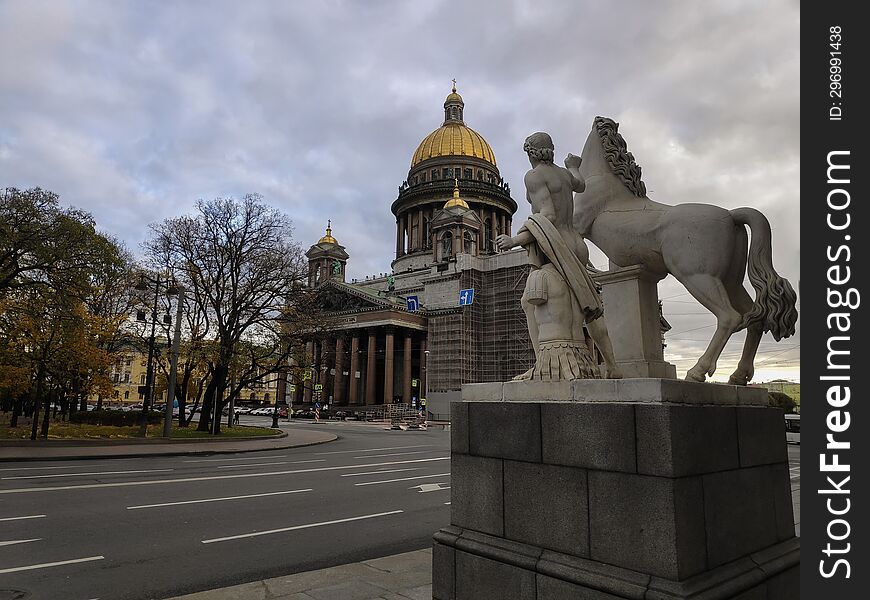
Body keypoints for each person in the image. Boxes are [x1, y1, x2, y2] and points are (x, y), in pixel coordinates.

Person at [497, 132, 622, 379]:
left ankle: (540, 363)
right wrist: (573, 166)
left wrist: (515, 240)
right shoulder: (563, 174)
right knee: (589, 304)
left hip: (558, 245)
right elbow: (580, 184)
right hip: (577, 243)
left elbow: (548, 215)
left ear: (531, 152)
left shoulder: (534, 176)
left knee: (527, 303)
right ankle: (613, 365)